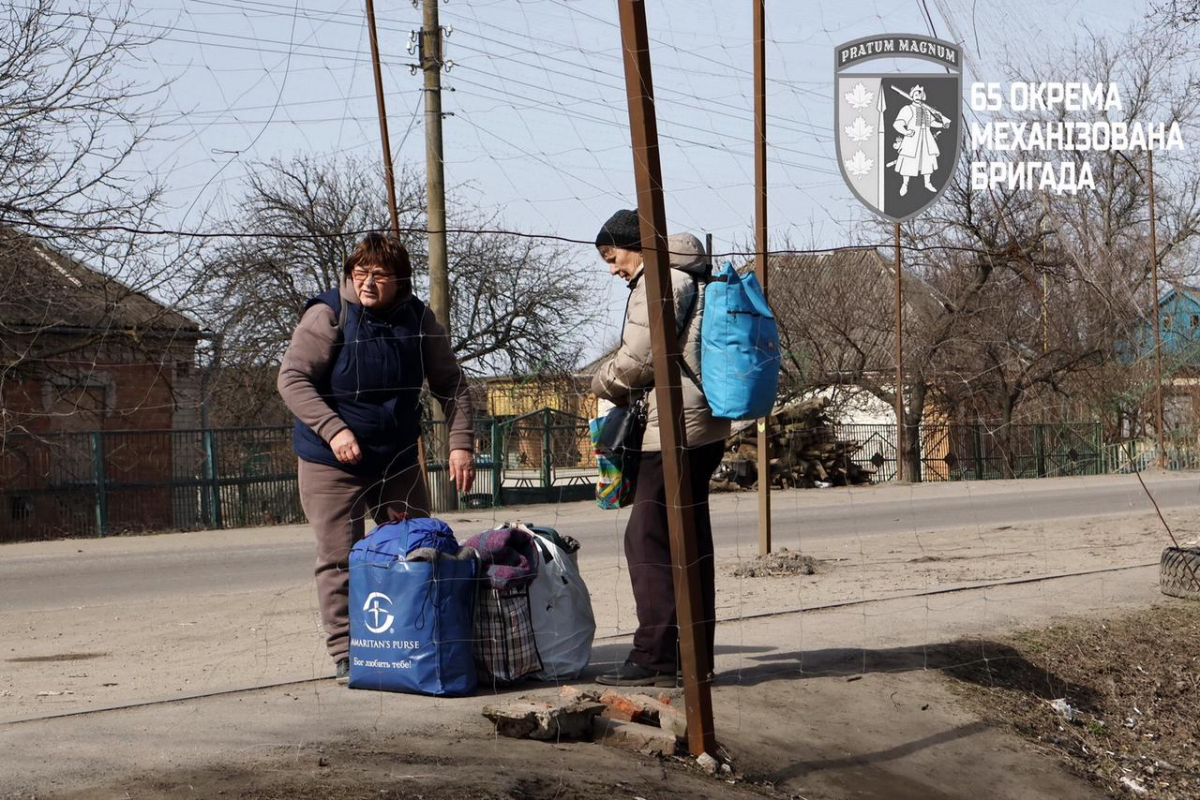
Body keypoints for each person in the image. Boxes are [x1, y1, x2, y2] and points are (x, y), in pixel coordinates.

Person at [278, 232, 475, 684]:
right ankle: (348, 650)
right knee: (339, 557)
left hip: (397, 457)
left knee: (417, 551)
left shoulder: (419, 319)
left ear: (400, 280)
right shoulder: (328, 315)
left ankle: (415, 640)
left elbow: (453, 384)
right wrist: (334, 429)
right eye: (359, 273)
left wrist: (460, 442)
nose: (367, 283)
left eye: (379, 275)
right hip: (331, 461)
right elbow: (292, 379)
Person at [590, 209, 730, 687]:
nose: (612, 268)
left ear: (636, 245)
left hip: (674, 431)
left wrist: (600, 381)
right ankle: (694, 659)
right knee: (688, 541)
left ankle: (654, 658)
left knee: (646, 539)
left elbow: (639, 359)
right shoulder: (695, 275)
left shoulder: (660, 282)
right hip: (705, 426)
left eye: (613, 257)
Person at [891, 84, 946, 196]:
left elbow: (931, 123)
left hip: (926, 138)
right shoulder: (907, 109)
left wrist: (942, 125)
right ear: (912, 95)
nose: (917, 96)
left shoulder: (926, 110)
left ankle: (928, 183)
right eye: (915, 94)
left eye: (919, 94)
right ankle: (905, 184)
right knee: (908, 161)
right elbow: (897, 124)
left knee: (928, 160)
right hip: (912, 139)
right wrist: (906, 132)